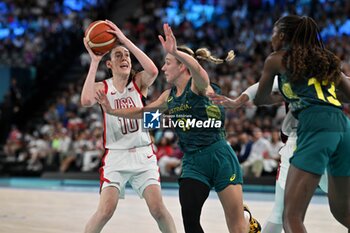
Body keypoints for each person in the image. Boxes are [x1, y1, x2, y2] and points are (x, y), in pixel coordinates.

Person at [96, 23, 261, 233]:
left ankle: (247, 221)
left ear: (182, 66)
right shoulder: (168, 96)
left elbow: (200, 72)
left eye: (167, 63)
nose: (163, 68)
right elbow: (143, 111)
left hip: (220, 156)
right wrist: (112, 111)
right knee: (190, 222)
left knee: (237, 228)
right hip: (193, 162)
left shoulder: (199, 87)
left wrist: (175, 51)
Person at [253, 15, 350, 232]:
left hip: (316, 125)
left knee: (292, 216)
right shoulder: (326, 59)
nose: (271, 39)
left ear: (284, 36)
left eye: (274, 33)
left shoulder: (276, 59)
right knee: (343, 212)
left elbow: (260, 99)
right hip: (343, 124)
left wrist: (284, 97)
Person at [81, 20, 177, 233]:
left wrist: (124, 40)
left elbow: (152, 70)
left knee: (158, 209)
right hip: (116, 156)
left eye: (127, 56)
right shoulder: (103, 87)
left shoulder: (139, 83)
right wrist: (95, 61)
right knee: (106, 210)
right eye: (118, 56)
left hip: (143, 155)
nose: (124, 58)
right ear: (110, 64)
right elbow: (86, 100)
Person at [209, 76, 329, 233]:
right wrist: (238, 101)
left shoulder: (292, 68)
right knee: (284, 212)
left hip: (308, 143)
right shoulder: (322, 70)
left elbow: (260, 89)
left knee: (284, 213)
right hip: (316, 141)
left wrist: (238, 101)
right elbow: (260, 89)